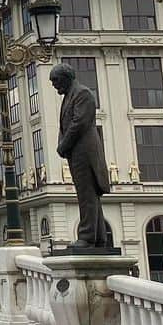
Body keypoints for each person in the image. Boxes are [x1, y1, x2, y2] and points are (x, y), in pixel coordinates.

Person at [51, 62, 113, 250]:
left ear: (66, 77)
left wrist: (63, 145)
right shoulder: (72, 94)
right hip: (77, 151)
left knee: (87, 194)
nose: (54, 85)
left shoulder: (82, 94)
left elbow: (78, 123)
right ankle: (100, 238)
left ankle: (86, 238)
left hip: (84, 151)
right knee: (89, 194)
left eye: (56, 80)